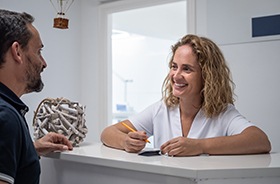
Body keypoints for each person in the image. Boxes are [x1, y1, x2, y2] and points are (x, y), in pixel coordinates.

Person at [101, 34, 271, 156]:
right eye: (174, 67)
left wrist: (200, 146)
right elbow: (108, 133)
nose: (176, 75)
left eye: (187, 69)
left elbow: (260, 141)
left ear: (207, 75)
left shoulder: (223, 113)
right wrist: (125, 142)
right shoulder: (161, 110)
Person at [0, 9, 73, 184]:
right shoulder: (5, 117)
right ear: (17, 52)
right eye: (39, 51)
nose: (44, 63)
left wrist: (30, 149)